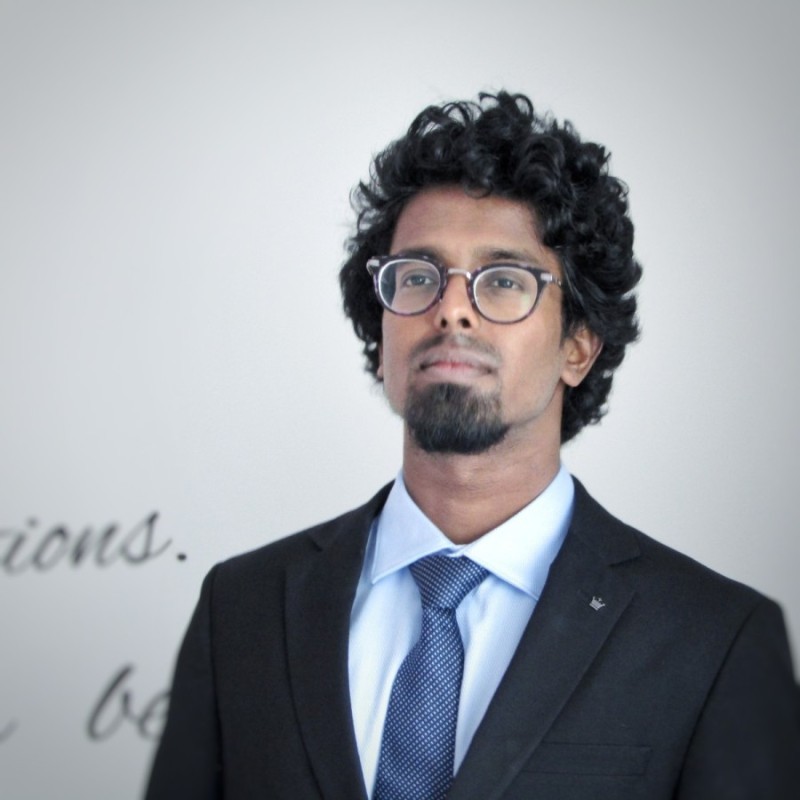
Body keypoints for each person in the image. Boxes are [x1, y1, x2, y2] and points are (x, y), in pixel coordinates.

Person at [145, 92, 800, 799]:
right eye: (418, 277)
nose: (451, 308)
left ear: (578, 347)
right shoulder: (241, 607)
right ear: (381, 340)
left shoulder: (715, 640)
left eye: (505, 280)